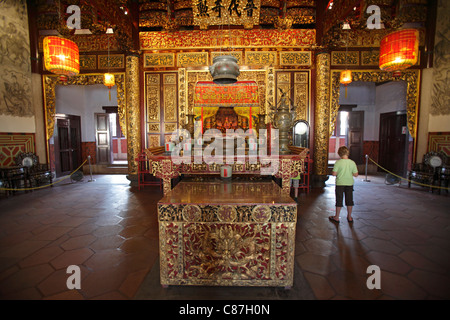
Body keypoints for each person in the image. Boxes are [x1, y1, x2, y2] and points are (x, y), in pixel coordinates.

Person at [329, 146, 358, 224]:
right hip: (349, 183)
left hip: (340, 183)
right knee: (349, 200)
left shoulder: (338, 162)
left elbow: (334, 174)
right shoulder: (352, 162)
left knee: (339, 199)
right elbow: (356, 174)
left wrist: (336, 172)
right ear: (348, 153)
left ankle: (337, 217)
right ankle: (349, 217)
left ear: (339, 154)